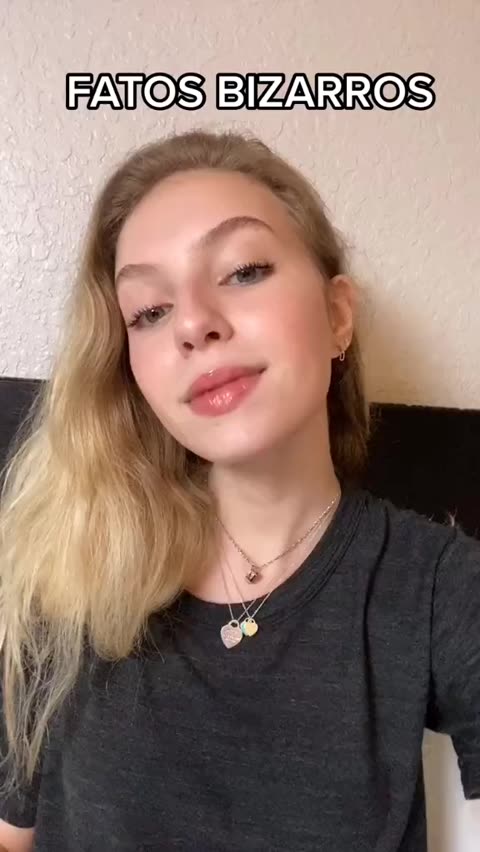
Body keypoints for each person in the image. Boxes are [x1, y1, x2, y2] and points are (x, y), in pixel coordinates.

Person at [0, 126, 478, 852]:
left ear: (337, 316)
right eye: (149, 312)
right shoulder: (71, 568)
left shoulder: (439, 586)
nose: (193, 323)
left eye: (244, 270)